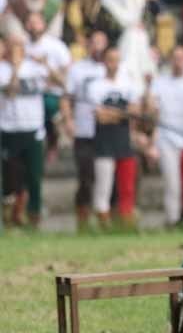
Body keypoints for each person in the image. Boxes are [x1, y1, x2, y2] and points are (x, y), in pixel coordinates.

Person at [0, 34, 55, 228]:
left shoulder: (35, 68)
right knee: (10, 178)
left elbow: (59, 84)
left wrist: (46, 65)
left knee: (34, 177)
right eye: (12, 46)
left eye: (19, 46)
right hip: (9, 130)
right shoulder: (3, 70)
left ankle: (33, 217)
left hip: (33, 130)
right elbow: (11, 91)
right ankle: (10, 217)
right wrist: (15, 68)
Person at [148, 45, 183, 228]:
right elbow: (152, 110)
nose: (179, 62)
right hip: (166, 139)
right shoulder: (160, 83)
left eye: (182, 58)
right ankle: (172, 220)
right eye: (175, 58)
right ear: (170, 60)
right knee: (172, 184)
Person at [88, 45, 140, 229]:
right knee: (104, 185)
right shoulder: (96, 86)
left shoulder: (128, 84)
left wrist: (112, 113)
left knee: (127, 186)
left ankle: (126, 221)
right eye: (110, 60)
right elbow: (100, 117)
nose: (114, 64)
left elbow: (136, 111)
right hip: (104, 143)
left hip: (124, 141)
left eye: (117, 60)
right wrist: (124, 113)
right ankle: (103, 221)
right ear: (104, 61)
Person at [61, 30, 108, 230]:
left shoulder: (112, 68)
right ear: (88, 45)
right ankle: (83, 217)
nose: (97, 47)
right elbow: (66, 97)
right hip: (84, 130)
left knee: (106, 177)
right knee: (86, 176)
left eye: (101, 43)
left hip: (107, 132)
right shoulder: (78, 69)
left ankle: (107, 217)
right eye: (94, 42)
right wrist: (68, 120)